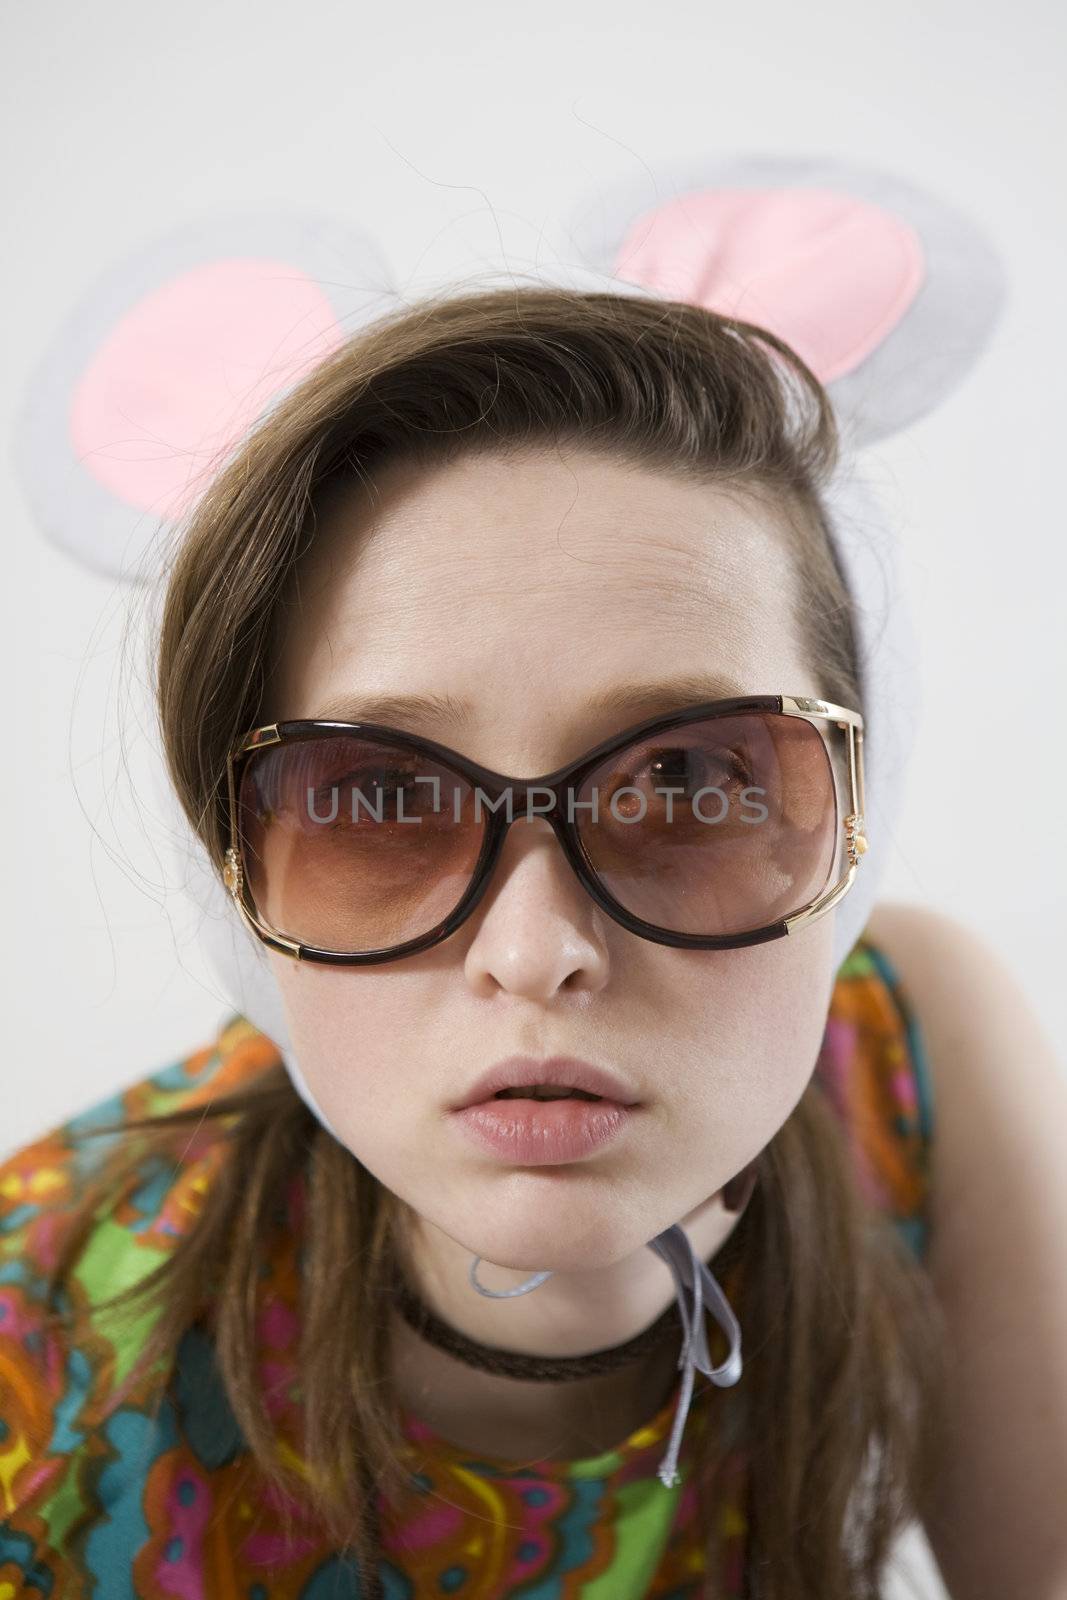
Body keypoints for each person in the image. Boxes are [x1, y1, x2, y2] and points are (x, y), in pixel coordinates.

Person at [3, 180, 1066, 1600]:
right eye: (381, 797)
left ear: (854, 826)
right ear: (236, 871)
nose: (537, 951)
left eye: (691, 783)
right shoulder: (33, 1345)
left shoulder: (909, 1045)